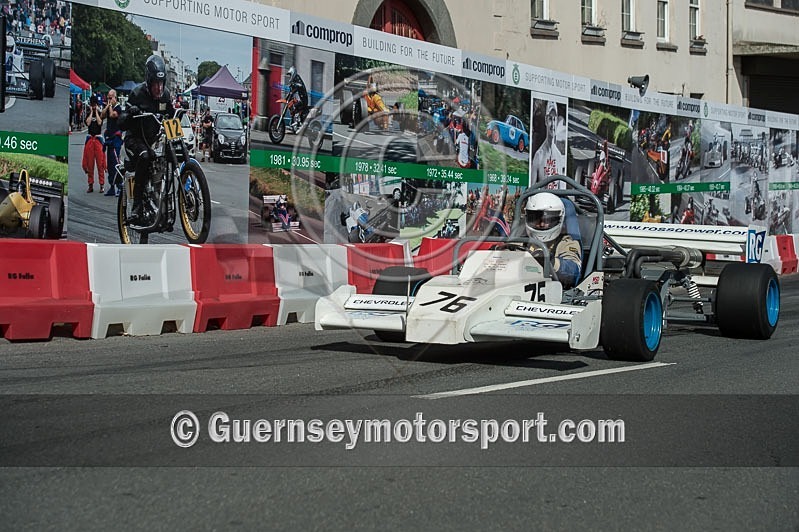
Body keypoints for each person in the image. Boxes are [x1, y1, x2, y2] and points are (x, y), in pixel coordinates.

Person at [120, 54, 172, 225]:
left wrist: (179, 112)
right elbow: (121, 122)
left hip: (152, 140)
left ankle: (166, 201)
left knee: (167, 154)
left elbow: (171, 115)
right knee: (144, 156)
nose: (159, 88)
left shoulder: (165, 96)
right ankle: (136, 206)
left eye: (161, 83)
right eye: (155, 84)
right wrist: (130, 113)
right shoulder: (137, 94)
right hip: (135, 139)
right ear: (149, 82)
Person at [524, 192, 582, 289]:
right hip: (517, 285)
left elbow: (573, 271)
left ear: (558, 219)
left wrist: (550, 261)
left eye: (547, 219)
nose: (542, 224)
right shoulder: (522, 240)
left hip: (554, 290)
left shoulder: (566, 242)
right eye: (536, 218)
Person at [531, 100, 566, 187]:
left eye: (554, 119)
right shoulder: (538, 156)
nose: (553, 124)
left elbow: (562, 189)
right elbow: (531, 190)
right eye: (550, 119)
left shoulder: (559, 157)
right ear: (546, 121)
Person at [81, 95, 105, 193]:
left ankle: (101, 184)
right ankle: (90, 184)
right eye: (92, 105)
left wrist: (97, 112)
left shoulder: (100, 113)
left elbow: (99, 123)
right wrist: (91, 112)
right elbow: (87, 123)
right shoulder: (88, 113)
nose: (94, 106)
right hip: (90, 139)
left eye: (95, 105)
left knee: (100, 164)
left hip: (98, 139)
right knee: (90, 164)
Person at [101, 89, 123, 196]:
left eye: (111, 98)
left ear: (115, 97)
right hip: (109, 139)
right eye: (108, 98)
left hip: (116, 139)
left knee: (115, 162)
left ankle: (119, 185)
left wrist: (110, 105)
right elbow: (102, 115)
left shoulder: (118, 108)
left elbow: (112, 115)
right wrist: (107, 106)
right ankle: (112, 186)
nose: (109, 100)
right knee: (109, 164)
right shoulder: (109, 106)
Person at [286, 66, 308, 130]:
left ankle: (298, 122)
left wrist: (294, 85)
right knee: (291, 105)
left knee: (294, 106)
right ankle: (294, 122)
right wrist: (287, 97)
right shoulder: (295, 80)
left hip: (303, 99)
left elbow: (300, 85)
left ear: (293, 73)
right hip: (300, 99)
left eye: (290, 75)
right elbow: (292, 91)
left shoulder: (297, 78)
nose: (290, 76)